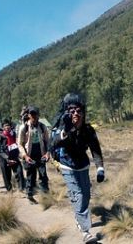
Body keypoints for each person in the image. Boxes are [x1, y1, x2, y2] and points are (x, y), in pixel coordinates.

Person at [51, 93, 104, 244]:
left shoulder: (88, 130)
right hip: (67, 165)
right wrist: (64, 133)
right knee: (78, 194)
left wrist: (100, 168)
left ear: (83, 113)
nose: (76, 113)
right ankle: (86, 231)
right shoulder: (64, 129)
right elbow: (55, 143)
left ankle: (79, 217)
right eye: (72, 111)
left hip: (83, 165)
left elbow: (95, 150)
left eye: (78, 111)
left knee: (86, 195)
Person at [17, 106, 50, 202]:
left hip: (41, 153)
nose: (34, 116)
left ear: (38, 115)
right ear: (28, 115)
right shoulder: (24, 128)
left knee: (43, 175)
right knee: (31, 176)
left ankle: (46, 197)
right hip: (29, 155)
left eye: (35, 114)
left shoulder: (43, 127)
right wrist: (25, 156)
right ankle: (30, 195)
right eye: (32, 114)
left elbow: (47, 142)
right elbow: (20, 144)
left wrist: (47, 153)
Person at [0, 119, 25, 192]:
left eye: (8, 125)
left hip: (14, 156)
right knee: (6, 176)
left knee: (19, 172)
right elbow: (0, 151)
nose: (7, 127)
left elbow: (17, 145)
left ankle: (22, 189)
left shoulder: (14, 134)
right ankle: (9, 190)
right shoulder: (0, 137)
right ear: (3, 127)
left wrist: (20, 155)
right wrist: (7, 159)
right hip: (4, 158)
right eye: (5, 126)